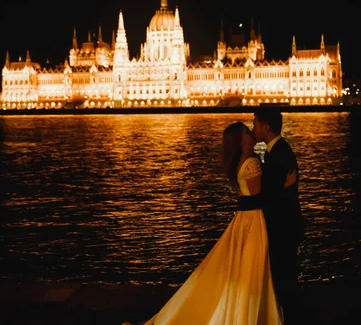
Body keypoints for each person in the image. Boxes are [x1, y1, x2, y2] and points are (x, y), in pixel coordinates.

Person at [123, 121, 295, 325]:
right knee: (253, 270)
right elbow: (259, 199)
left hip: (246, 220)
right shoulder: (251, 163)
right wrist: (284, 186)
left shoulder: (244, 161)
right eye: (247, 132)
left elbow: (250, 197)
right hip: (254, 221)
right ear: (241, 140)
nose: (251, 133)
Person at [238, 106, 305, 324]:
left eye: (255, 123)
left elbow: (272, 195)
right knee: (282, 276)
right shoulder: (274, 150)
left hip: (283, 226)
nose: (252, 128)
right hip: (282, 224)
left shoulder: (279, 152)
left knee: (284, 277)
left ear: (266, 127)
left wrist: (282, 189)